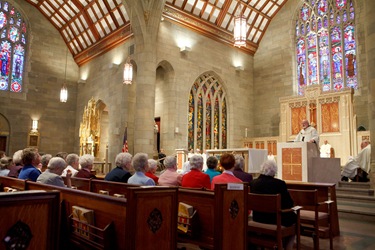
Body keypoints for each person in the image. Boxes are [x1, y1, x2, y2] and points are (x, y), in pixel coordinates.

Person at [249, 160, 297, 250]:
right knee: (295, 220)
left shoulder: (253, 183)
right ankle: (287, 247)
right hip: (275, 220)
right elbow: (289, 203)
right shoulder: (279, 183)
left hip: (257, 217)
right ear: (274, 171)